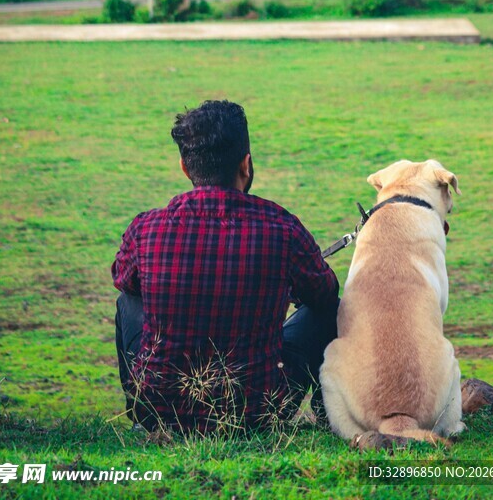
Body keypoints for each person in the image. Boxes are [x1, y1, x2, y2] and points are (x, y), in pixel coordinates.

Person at [112, 99, 339, 432]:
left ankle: (140, 415)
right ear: (246, 165)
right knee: (328, 311)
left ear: (185, 168)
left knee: (128, 299)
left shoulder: (147, 228)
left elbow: (123, 278)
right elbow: (325, 294)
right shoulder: (283, 227)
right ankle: (328, 415)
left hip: (162, 409)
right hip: (260, 413)